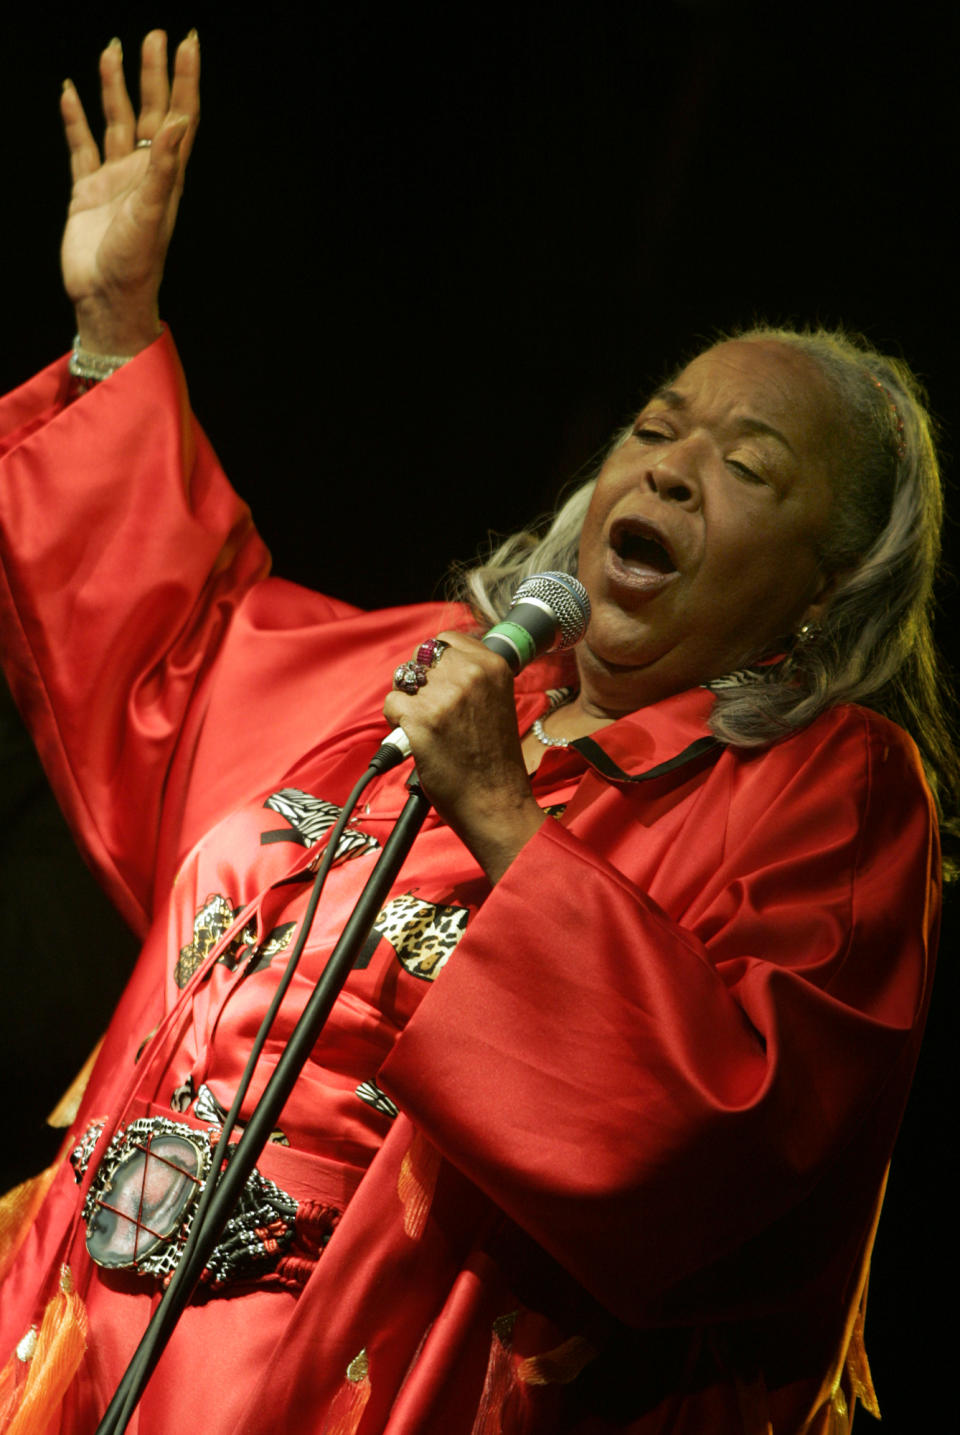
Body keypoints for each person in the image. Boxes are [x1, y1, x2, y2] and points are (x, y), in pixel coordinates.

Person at [0, 29, 952, 1435]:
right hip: (82, 1342)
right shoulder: (416, 674)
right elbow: (172, 654)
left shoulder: (825, 792)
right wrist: (117, 329)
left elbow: (730, 1132)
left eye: (747, 469)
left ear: (824, 592)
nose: (673, 469)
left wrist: (504, 819)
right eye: (657, 428)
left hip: (377, 1386)